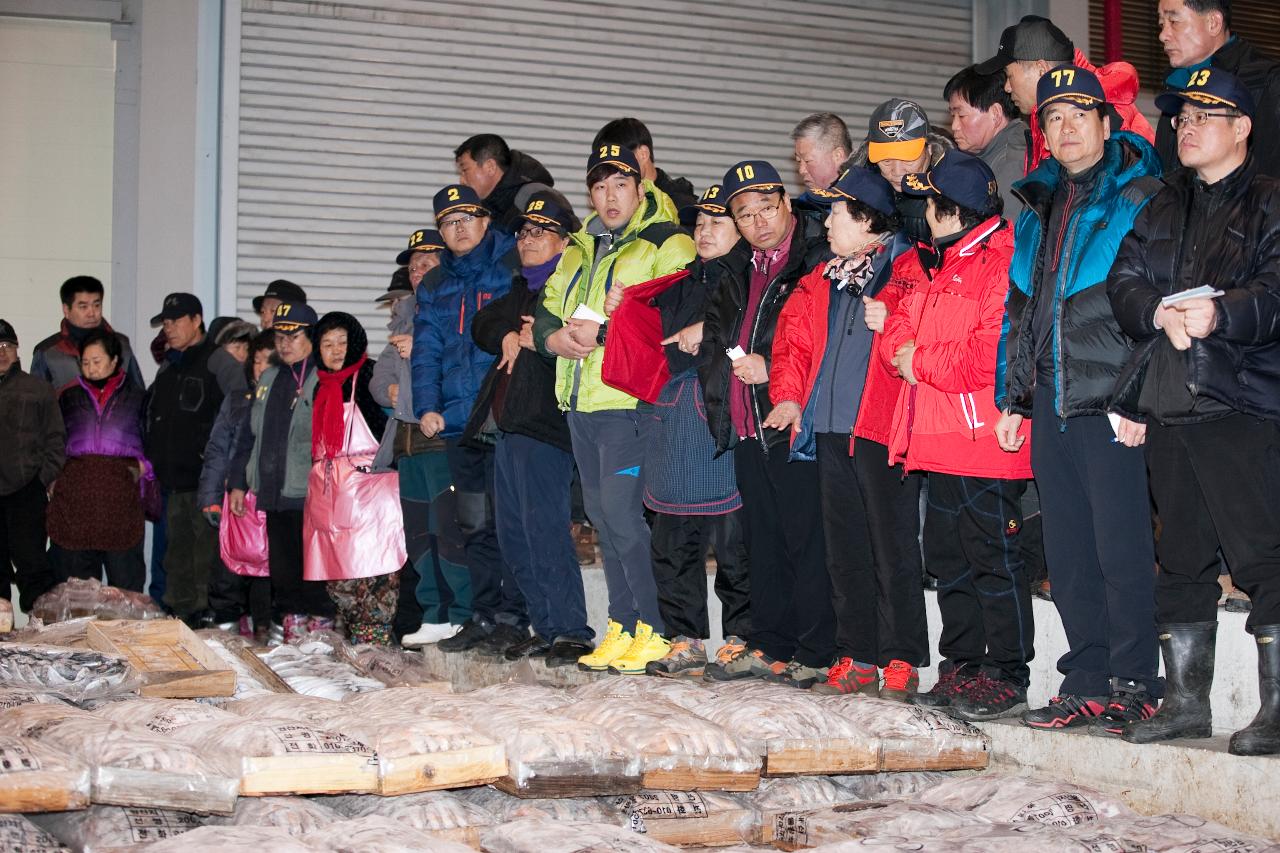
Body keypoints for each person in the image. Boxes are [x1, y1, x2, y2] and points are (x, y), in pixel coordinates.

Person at [1108, 70, 1280, 755]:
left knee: (1266, 555)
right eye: (1180, 116)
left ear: (1241, 128)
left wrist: (1220, 313)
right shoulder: (1160, 206)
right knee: (1177, 559)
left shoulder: (1270, 204)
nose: (1186, 126)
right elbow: (1122, 284)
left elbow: (1275, 290)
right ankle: (1183, 702)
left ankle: (1275, 708)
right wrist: (1155, 310)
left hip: (1242, 402)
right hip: (1172, 403)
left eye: (1205, 115)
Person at [994, 66, 1165, 733]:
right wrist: (1015, 397)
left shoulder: (1143, 196)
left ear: (1105, 121)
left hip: (1110, 404)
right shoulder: (1037, 208)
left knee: (1121, 549)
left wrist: (1138, 399)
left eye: (1077, 115)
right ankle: (1087, 678)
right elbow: (1021, 310)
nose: (1065, 129)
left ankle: (1138, 682)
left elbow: (1155, 307)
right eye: (1052, 119)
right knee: (1068, 555)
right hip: (1052, 403)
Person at [879, 151, 1034, 720]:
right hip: (934, 436)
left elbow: (990, 354)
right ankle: (964, 663)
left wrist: (919, 359)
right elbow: (896, 331)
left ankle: (1008, 673)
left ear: (954, 211)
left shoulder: (1001, 260)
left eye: (929, 204)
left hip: (983, 439)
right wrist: (909, 353)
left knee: (993, 556)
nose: (921, 214)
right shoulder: (934, 262)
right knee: (948, 558)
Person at [765, 168, 927, 699]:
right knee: (844, 549)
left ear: (866, 220)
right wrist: (788, 396)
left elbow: (916, 344)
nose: (826, 222)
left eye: (835, 213)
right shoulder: (823, 276)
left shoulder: (906, 273)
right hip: (830, 430)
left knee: (892, 547)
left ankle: (900, 656)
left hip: (882, 431)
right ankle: (856, 653)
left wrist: (895, 320)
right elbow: (792, 341)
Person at [534, 143, 695, 674]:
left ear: (641, 186)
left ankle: (652, 625)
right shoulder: (580, 246)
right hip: (581, 399)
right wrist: (551, 339)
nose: (609, 196)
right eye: (599, 187)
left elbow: (675, 315)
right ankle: (623, 625)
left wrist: (610, 325)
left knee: (625, 517)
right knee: (602, 518)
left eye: (620, 184)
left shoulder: (666, 243)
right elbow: (548, 306)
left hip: (629, 403)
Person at [698, 160, 836, 687]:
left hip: (794, 420)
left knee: (807, 539)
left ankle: (816, 648)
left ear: (786, 202)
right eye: (745, 214)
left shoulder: (817, 257)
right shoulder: (736, 267)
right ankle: (772, 643)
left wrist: (774, 370)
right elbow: (716, 339)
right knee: (763, 542)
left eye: (766, 208)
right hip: (746, 423)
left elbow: (827, 342)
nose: (759, 222)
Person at [466, 192, 594, 666]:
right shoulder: (520, 289)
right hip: (507, 428)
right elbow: (483, 321)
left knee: (545, 531)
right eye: (523, 231)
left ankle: (571, 630)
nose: (528, 239)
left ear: (565, 240)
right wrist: (506, 333)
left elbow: (580, 339)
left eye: (540, 231)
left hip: (544, 425)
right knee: (514, 534)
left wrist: (537, 337)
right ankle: (545, 626)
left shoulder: (572, 288)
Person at [413, 184, 529, 655]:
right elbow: (426, 350)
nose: (458, 229)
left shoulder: (511, 263)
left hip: (504, 415)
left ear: (485, 221)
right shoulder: (437, 283)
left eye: (466, 219)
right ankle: (483, 615)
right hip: (459, 423)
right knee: (474, 524)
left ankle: (517, 617)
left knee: (511, 521)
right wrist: (427, 405)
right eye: (448, 222)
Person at [641, 185, 751, 679]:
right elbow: (650, 348)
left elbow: (759, 337)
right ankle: (683, 639)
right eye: (699, 224)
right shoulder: (678, 284)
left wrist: (712, 332)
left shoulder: (751, 280)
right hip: (673, 420)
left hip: (725, 420)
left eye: (717, 222)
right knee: (672, 538)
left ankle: (741, 638)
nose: (704, 232)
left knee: (735, 544)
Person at [372, 235, 473, 646]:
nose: (418, 273)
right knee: (419, 536)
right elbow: (381, 380)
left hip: (441, 440)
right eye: (413, 267)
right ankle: (433, 611)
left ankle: (462, 612)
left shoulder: (457, 309)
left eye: (427, 264)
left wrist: (418, 356)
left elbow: (462, 368)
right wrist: (394, 389)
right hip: (408, 445)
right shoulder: (404, 317)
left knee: (448, 531)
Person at [228, 301, 334, 642]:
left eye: (294, 335)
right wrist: (238, 483)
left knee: (314, 567)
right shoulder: (270, 377)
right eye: (279, 335)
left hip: (309, 492)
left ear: (312, 337)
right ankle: (292, 625)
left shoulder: (325, 378)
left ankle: (321, 628)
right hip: (272, 490)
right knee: (283, 569)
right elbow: (248, 434)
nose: (285, 343)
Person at [144, 293, 246, 625]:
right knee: (176, 565)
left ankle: (205, 628)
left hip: (205, 486)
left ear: (197, 320)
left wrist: (230, 475)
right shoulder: (169, 365)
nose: (169, 329)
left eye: (175, 321)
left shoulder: (219, 362)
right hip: (171, 485)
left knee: (205, 566)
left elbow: (240, 420)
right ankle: (180, 625)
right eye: (166, 323)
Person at [308, 311, 401, 645]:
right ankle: (354, 636)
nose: (335, 351)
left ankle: (375, 641)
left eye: (342, 343)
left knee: (374, 569)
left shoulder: (370, 376)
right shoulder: (321, 386)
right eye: (327, 343)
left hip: (369, 490)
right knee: (338, 572)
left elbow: (389, 429)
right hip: (331, 490)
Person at [976, 14, 1154, 173]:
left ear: (1041, 69)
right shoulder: (1069, 114)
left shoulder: (1105, 118)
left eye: (1009, 75)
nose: (1007, 87)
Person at [46, 328, 150, 592]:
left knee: (125, 585)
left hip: (120, 500)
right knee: (75, 588)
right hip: (75, 502)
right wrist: (54, 479)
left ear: (115, 361)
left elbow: (154, 441)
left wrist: (142, 469)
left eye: (97, 361)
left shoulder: (138, 398)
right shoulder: (67, 397)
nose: (91, 368)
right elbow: (53, 442)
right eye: (85, 363)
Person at [199, 329, 276, 641]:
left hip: (273, 501)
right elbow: (217, 451)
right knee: (228, 571)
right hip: (235, 500)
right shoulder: (236, 401)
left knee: (270, 574)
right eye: (256, 361)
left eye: (268, 362)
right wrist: (210, 497)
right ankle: (227, 634)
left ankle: (269, 633)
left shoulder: (292, 402)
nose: (261, 368)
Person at [1154, 0, 1280, 179]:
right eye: (1161, 24)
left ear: (1213, 23)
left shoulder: (1266, 82)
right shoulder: (1175, 87)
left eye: (1174, 22)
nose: (1163, 35)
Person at [0, 319, 63, 612]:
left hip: (26, 493)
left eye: (7, 346)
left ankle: (40, 636)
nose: (2, 353)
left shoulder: (37, 389)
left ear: (16, 349)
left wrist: (42, 482)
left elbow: (56, 439)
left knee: (34, 567)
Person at [32, 276, 143, 393]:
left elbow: (139, 395)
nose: (92, 313)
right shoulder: (48, 352)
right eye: (83, 307)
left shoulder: (121, 344)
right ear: (66, 310)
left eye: (97, 305)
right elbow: (37, 404)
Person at [865, 99, 953, 244]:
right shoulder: (859, 193)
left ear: (930, 149)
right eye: (886, 161)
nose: (897, 171)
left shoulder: (953, 199)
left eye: (908, 159)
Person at [945, 65, 1028, 216]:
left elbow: (1007, 234)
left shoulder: (1013, 162)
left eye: (962, 115)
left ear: (995, 114)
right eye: (953, 116)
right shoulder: (993, 153)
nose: (954, 126)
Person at [454, 134, 557, 233]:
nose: (461, 180)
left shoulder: (535, 197)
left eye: (465, 170)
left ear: (490, 167)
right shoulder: (486, 208)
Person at [592, 118, 697, 211]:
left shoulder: (680, 207)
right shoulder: (611, 206)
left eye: (619, 161)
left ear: (643, 154)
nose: (610, 172)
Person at [791, 113, 852, 192]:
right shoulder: (802, 203)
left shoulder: (869, 198)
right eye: (799, 161)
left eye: (807, 161)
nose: (801, 170)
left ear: (837, 156)